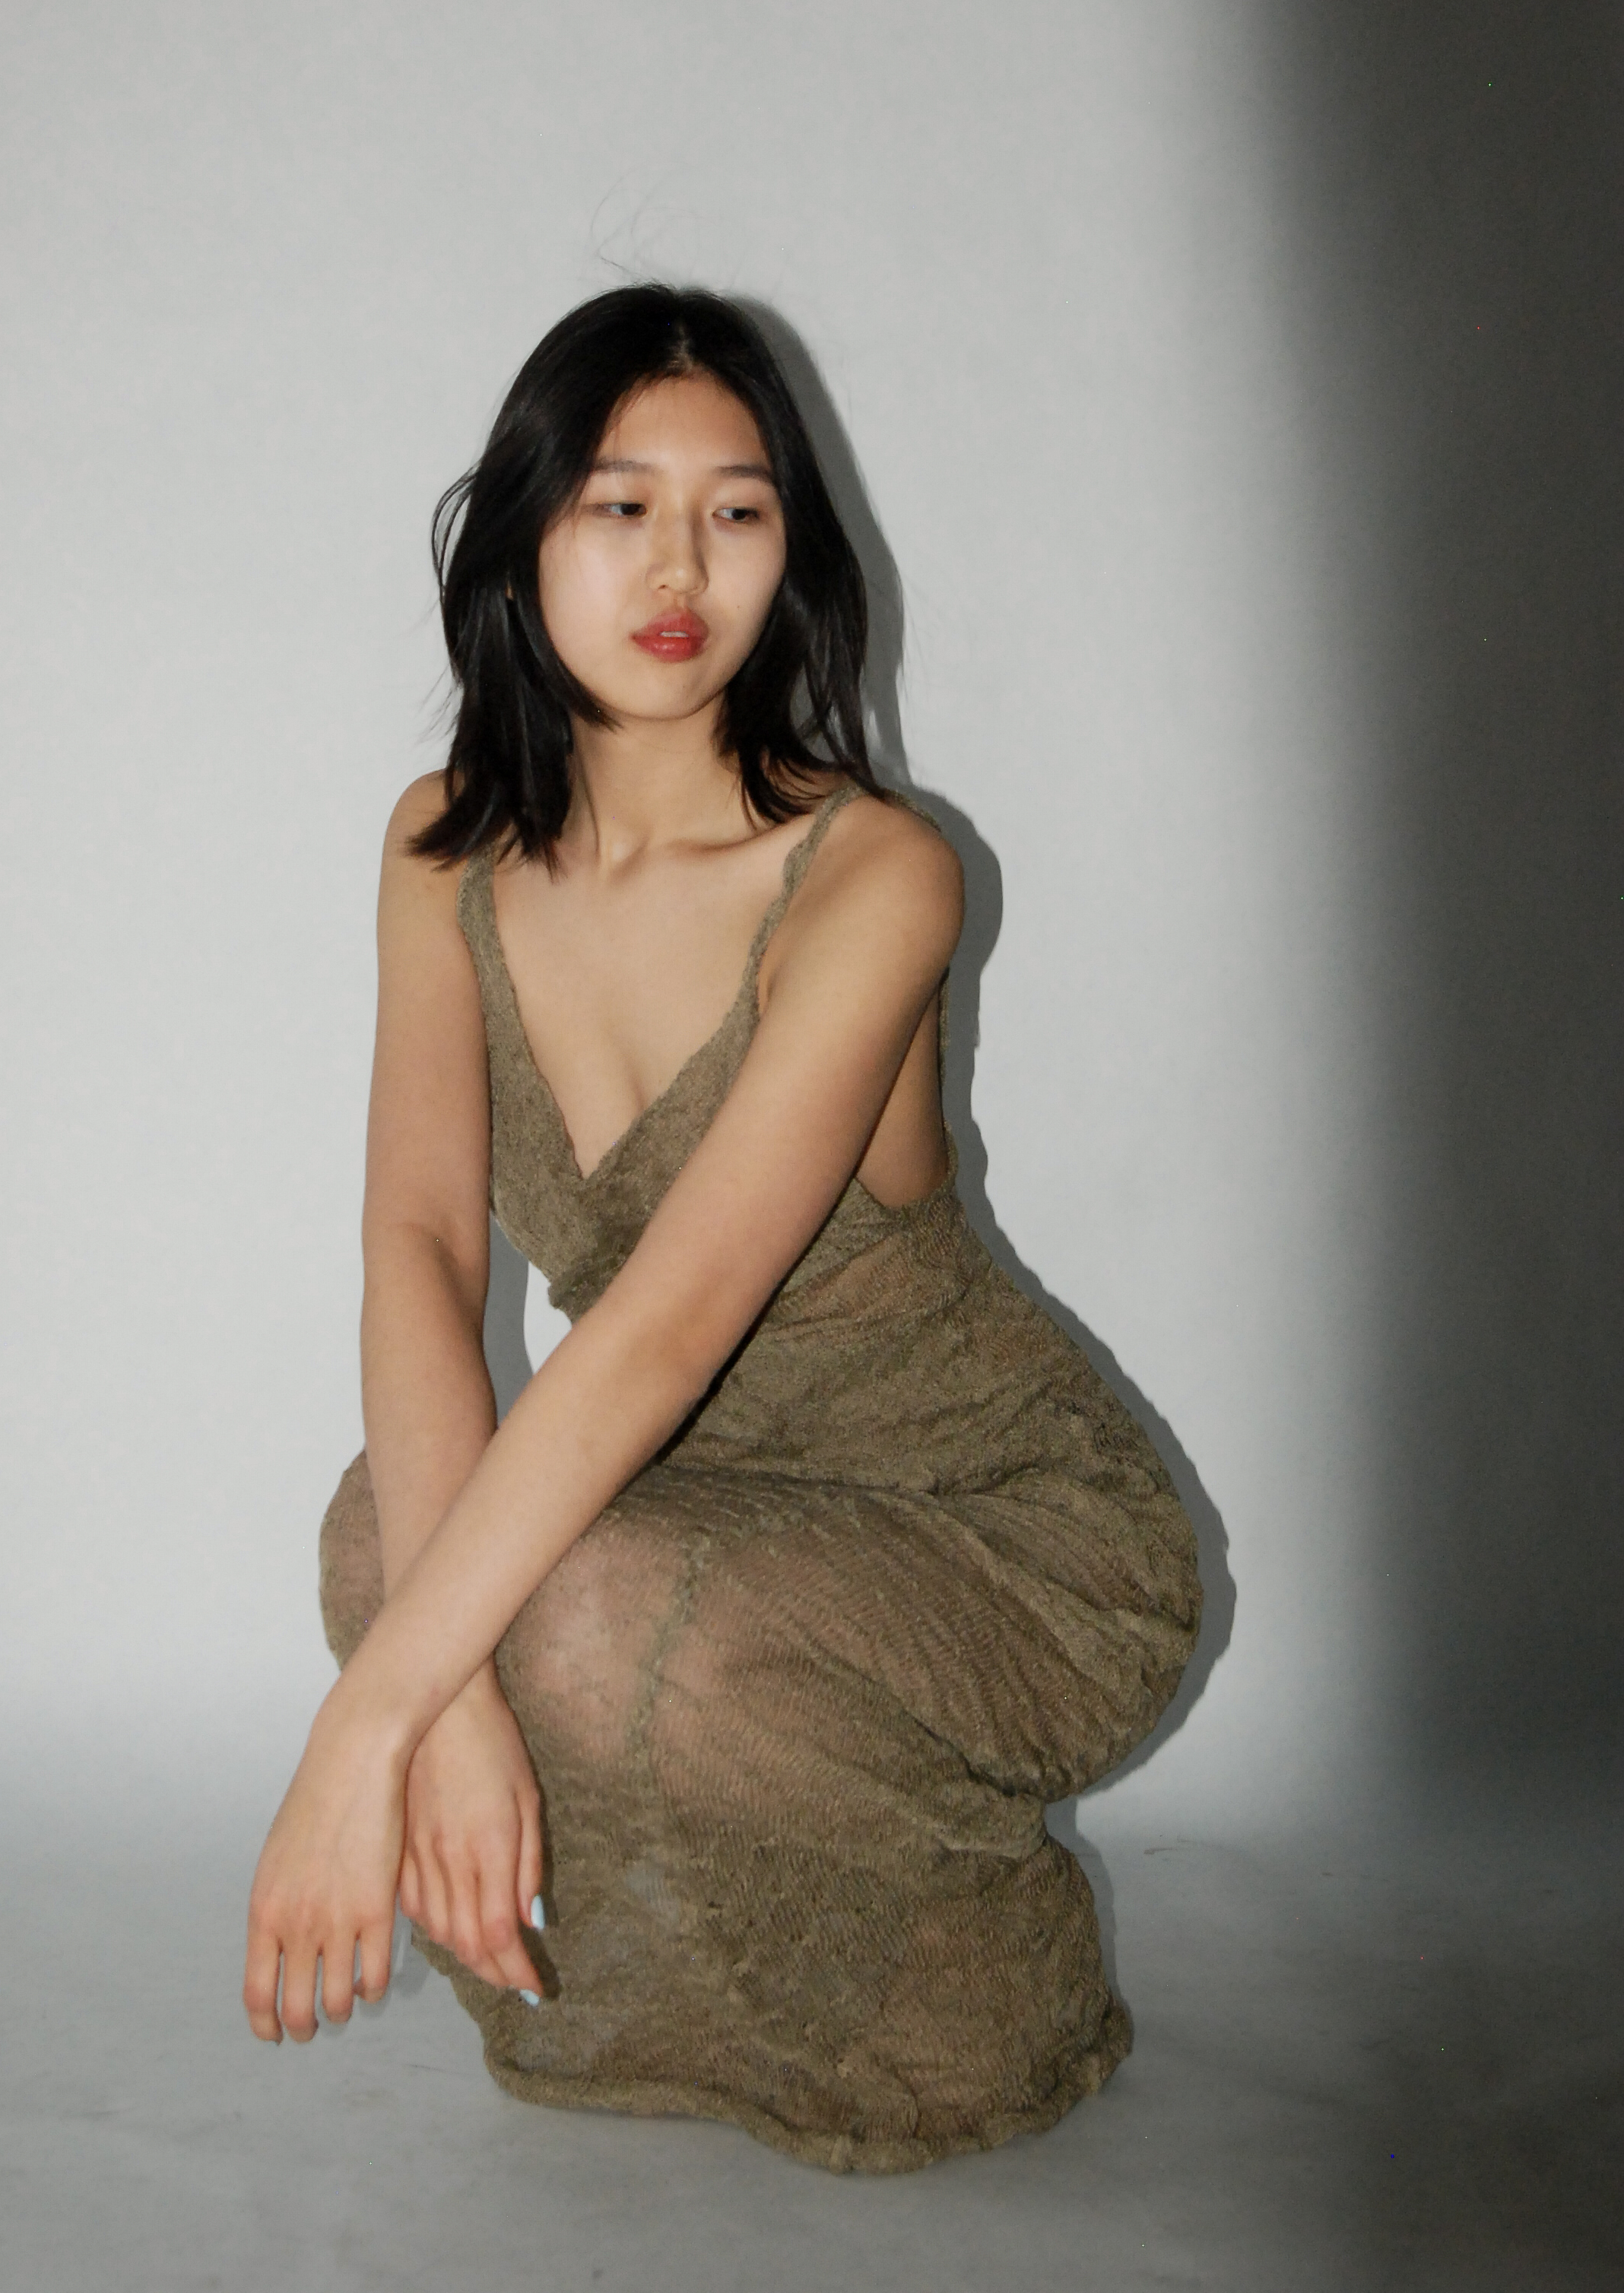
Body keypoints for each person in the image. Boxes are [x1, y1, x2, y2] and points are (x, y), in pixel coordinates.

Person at [245, 286, 1201, 2171]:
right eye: (621, 504)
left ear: (794, 551)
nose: (681, 565)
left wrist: (372, 1720)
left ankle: (973, 1986)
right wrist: (440, 1697)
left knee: (549, 1605)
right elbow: (421, 1248)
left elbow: (670, 1322)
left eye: (738, 510)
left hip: (998, 1525)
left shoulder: (876, 870)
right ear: (526, 535)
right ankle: (664, 2003)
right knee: (386, 1533)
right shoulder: (444, 847)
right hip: (703, 1487)